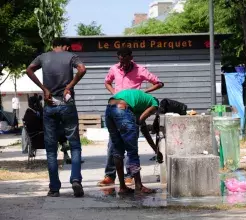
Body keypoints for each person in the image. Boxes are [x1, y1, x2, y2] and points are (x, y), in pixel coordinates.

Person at [26, 37, 86, 197]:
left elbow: (29, 69)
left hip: (50, 105)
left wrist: (44, 89)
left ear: (52, 46)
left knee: (51, 149)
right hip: (67, 105)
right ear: (65, 46)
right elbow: (82, 69)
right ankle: (75, 180)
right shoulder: (71, 56)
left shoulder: (43, 57)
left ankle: (54, 188)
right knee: (74, 145)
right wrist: (69, 86)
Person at [98, 47, 164, 187]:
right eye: (120, 60)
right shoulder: (114, 69)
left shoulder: (140, 70)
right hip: (119, 105)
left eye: (125, 60)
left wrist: (144, 91)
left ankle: (127, 178)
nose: (122, 63)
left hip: (124, 108)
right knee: (120, 146)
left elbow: (159, 83)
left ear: (130, 57)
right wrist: (114, 92)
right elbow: (107, 82)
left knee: (123, 145)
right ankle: (111, 176)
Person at [105, 89, 160, 194]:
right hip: (122, 108)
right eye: (152, 112)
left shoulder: (138, 103)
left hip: (109, 110)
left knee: (117, 151)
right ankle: (139, 186)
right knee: (132, 151)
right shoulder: (155, 103)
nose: (150, 114)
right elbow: (141, 121)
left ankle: (122, 187)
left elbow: (143, 129)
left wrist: (156, 151)